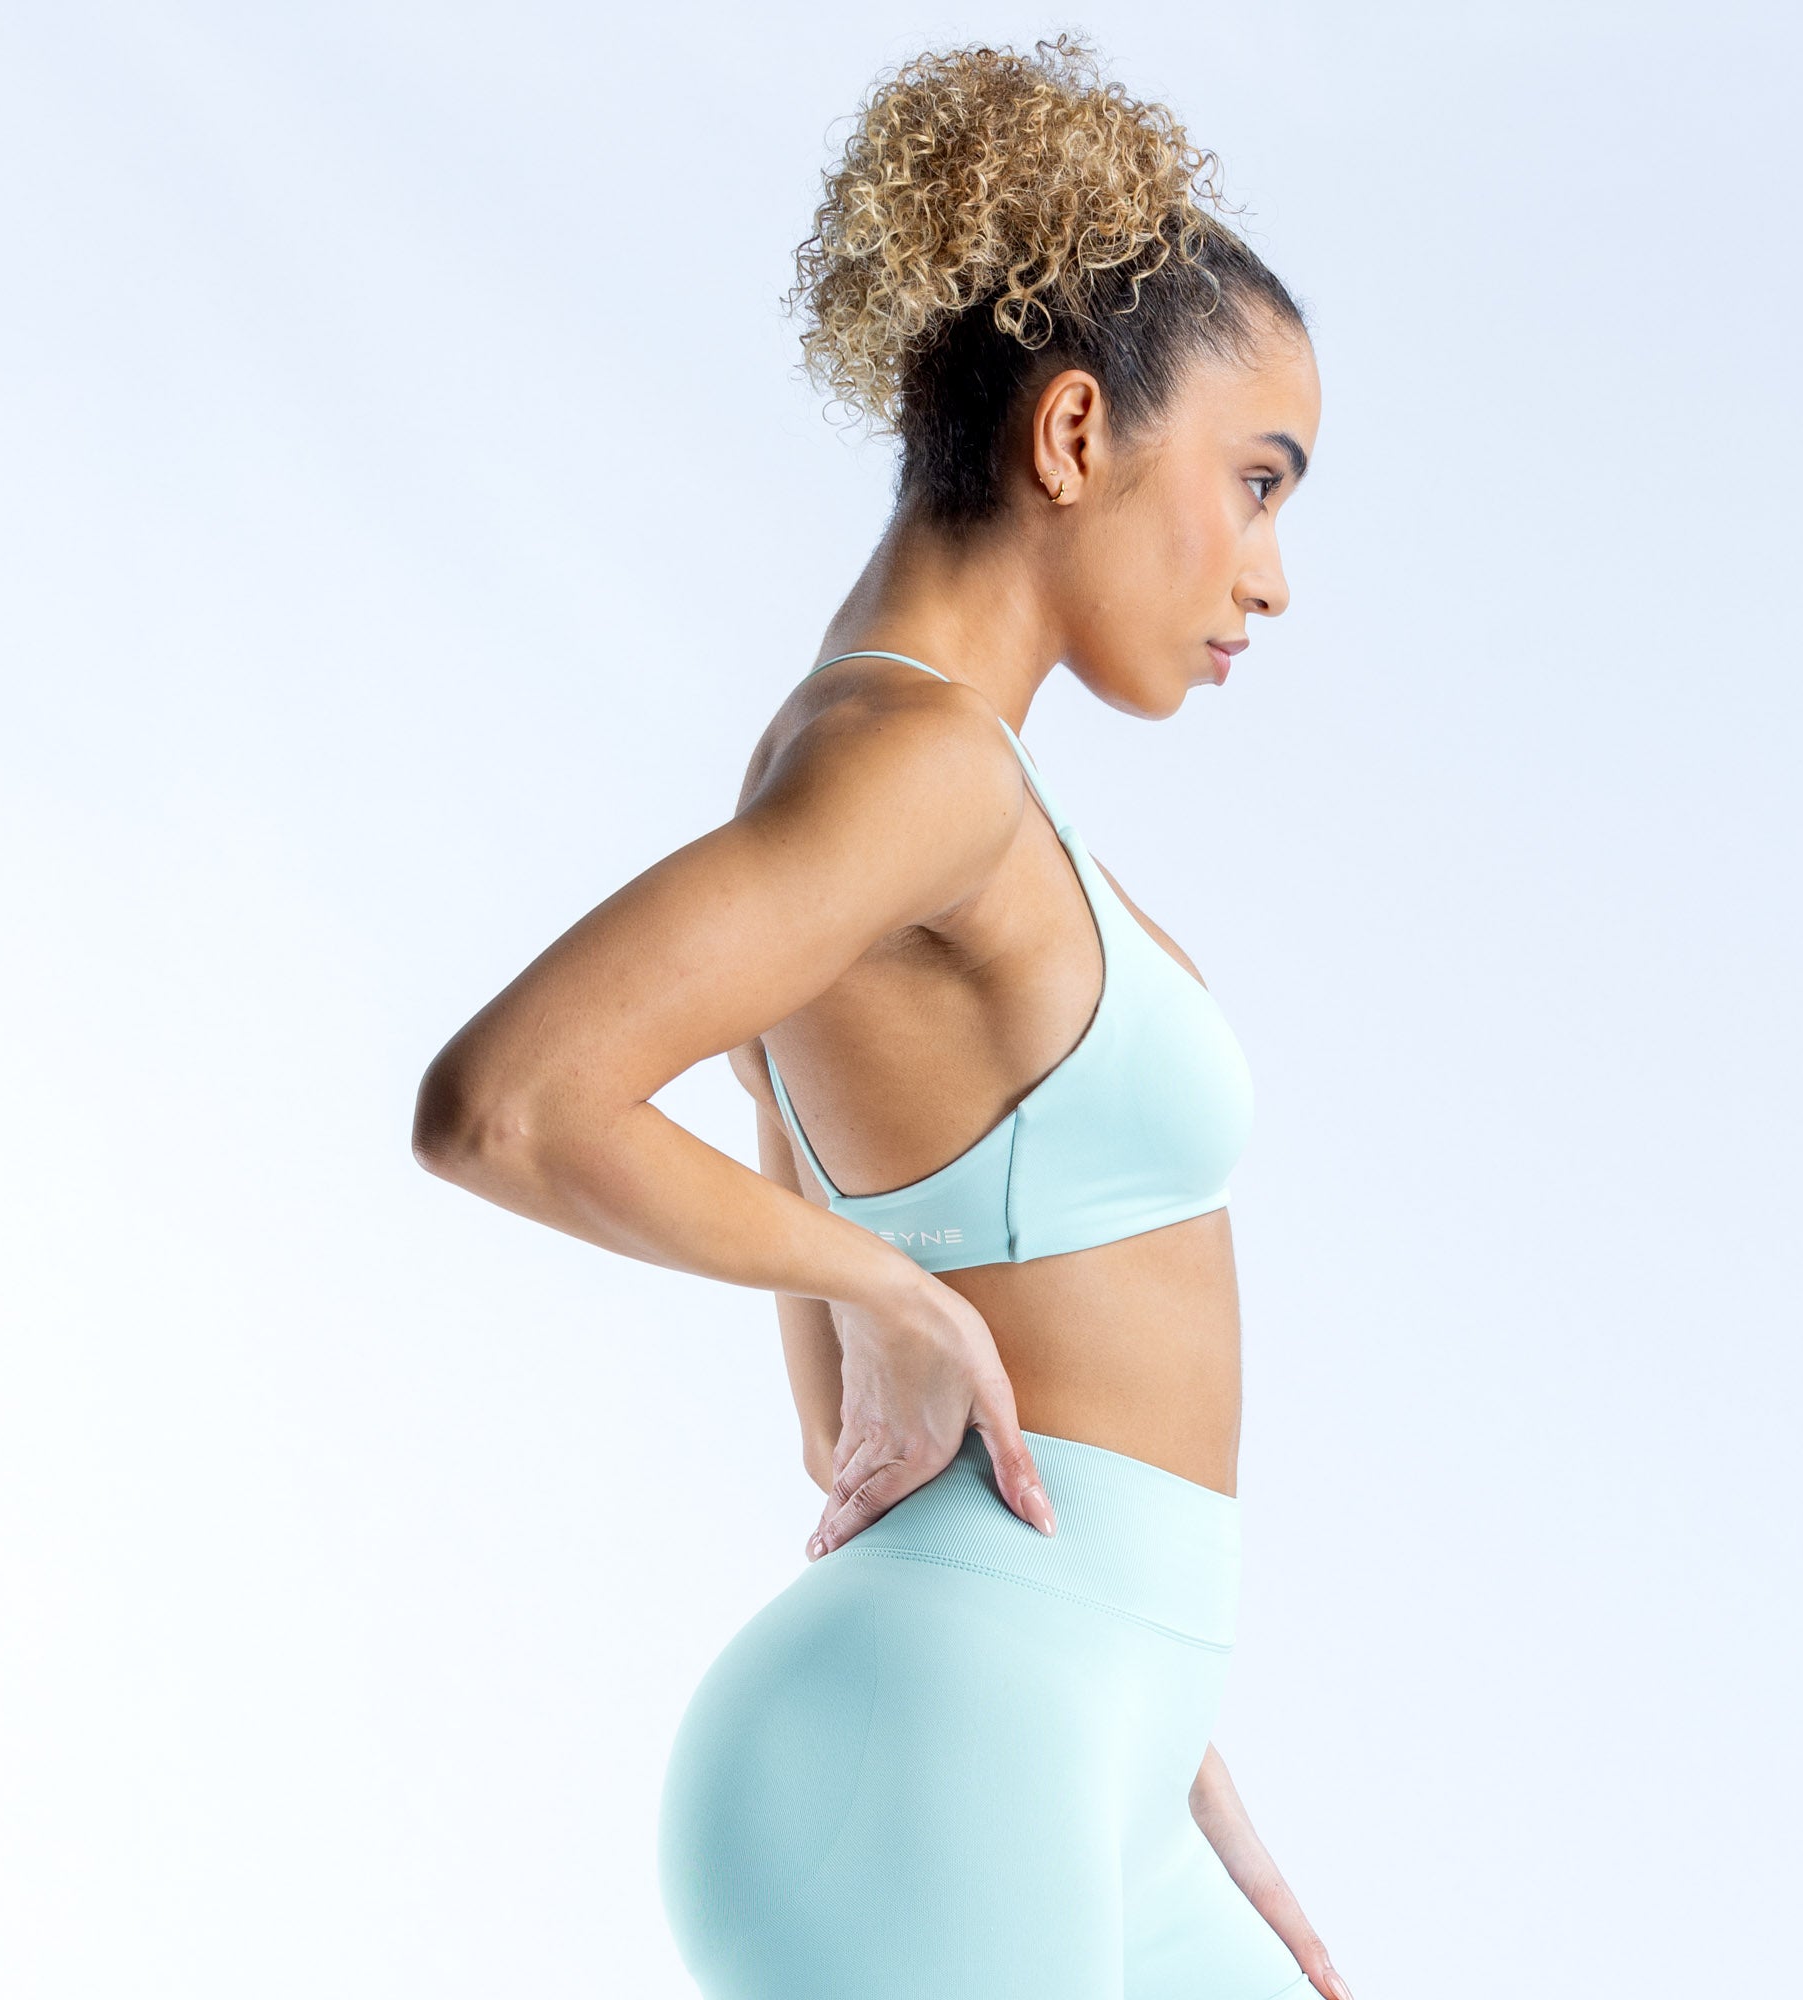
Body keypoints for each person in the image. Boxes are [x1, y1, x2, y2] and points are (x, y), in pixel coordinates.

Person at [412, 32, 1346, 2000]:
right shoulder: (912, 765)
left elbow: (836, 1378)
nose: (1270, 579)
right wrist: (896, 1295)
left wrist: (1147, 1716)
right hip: (955, 1740)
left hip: (1052, 1727)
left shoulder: (898, 765)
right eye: (1256, 483)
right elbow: (503, 1102)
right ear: (1075, 434)